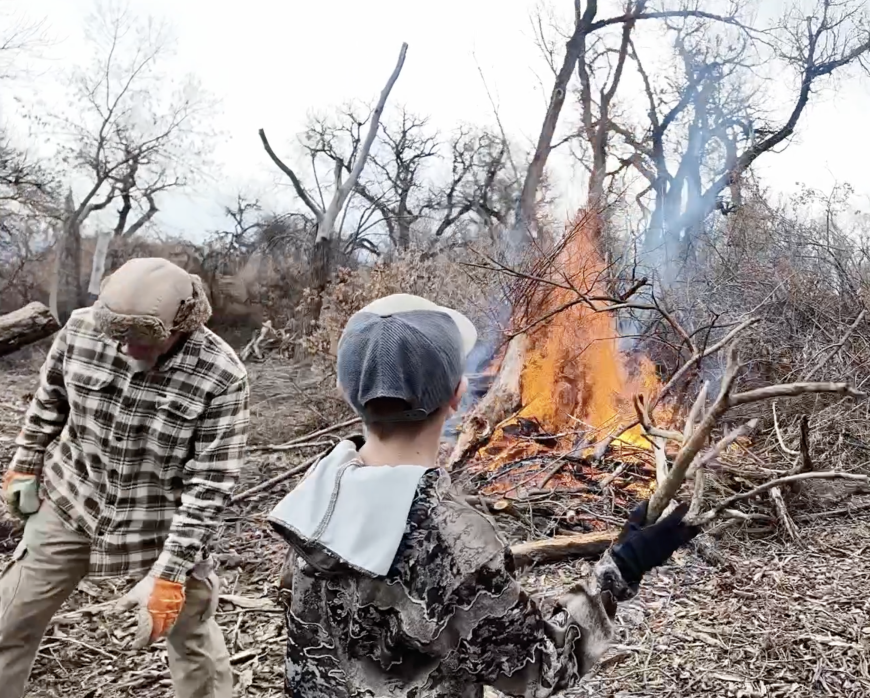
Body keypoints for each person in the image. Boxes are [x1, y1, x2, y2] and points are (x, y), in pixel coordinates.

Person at [267, 294, 700, 697]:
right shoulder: (451, 540)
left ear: (344, 391)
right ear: (459, 395)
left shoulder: (315, 496)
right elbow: (543, 665)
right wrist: (621, 568)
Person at [0, 257, 249, 698]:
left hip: (163, 523)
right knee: (7, 622)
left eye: (142, 339)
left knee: (193, 644)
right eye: (119, 336)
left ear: (182, 324)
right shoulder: (80, 330)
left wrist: (170, 573)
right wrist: (27, 459)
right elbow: (50, 399)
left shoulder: (221, 374)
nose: (127, 349)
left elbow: (210, 486)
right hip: (73, 500)